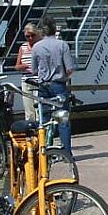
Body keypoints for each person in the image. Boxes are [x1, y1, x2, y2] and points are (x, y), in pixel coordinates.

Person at [31, 15, 75, 153]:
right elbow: (69, 69)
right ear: (55, 29)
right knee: (62, 120)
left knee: (43, 119)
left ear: (42, 31)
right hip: (58, 85)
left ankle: (44, 151)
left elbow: (34, 69)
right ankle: (66, 153)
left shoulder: (36, 47)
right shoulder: (62, 45)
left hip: (43, 85)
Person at [14, 23, 41, 121]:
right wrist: (23, 66)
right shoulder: (23, 47)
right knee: (28, 109)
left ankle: (40, 131)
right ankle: (30, 130)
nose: (30, 38)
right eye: (27, 36)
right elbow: (16, 66)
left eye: (32, 35)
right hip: (26, 80)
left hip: (38, 80)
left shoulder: (40, 46)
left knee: (38, 108)